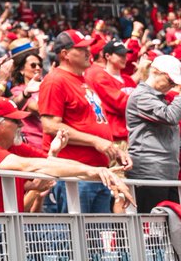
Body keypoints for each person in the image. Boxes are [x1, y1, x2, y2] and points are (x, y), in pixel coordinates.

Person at [0, 96, 135, 213]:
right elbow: (34, 166)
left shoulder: (12, 145)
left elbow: (48, 163)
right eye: (15, 121)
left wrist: (98, 170)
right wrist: (96, 172)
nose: (21, 125)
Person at [39, 30, 128, 214]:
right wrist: (96, 141)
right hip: (74, 174)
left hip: (97, 172)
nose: (89, 53)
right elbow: (51, 126)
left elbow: (93, 121)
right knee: (77, 236)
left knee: (95, 237)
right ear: (65, 54)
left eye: (88, 47)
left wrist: (112, 148)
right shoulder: (55, 80)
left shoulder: (84, 79)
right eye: (81, 49)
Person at [125, 55, 181, 213]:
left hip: (166, 172)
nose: (171, 86)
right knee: (149, 227)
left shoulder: (159, 98)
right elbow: (170, 116)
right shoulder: (141, 96)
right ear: (155, 71)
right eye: (170, 80)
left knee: (170, 227)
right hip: (148, 173)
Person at [83, 39, 135, 149]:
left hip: (132, 135)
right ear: (107, 56)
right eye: (120, 55)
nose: (124, 58)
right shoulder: (100, 77)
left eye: (125, 55)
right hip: (115, 138)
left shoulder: (128, 80)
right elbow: (121, 103)